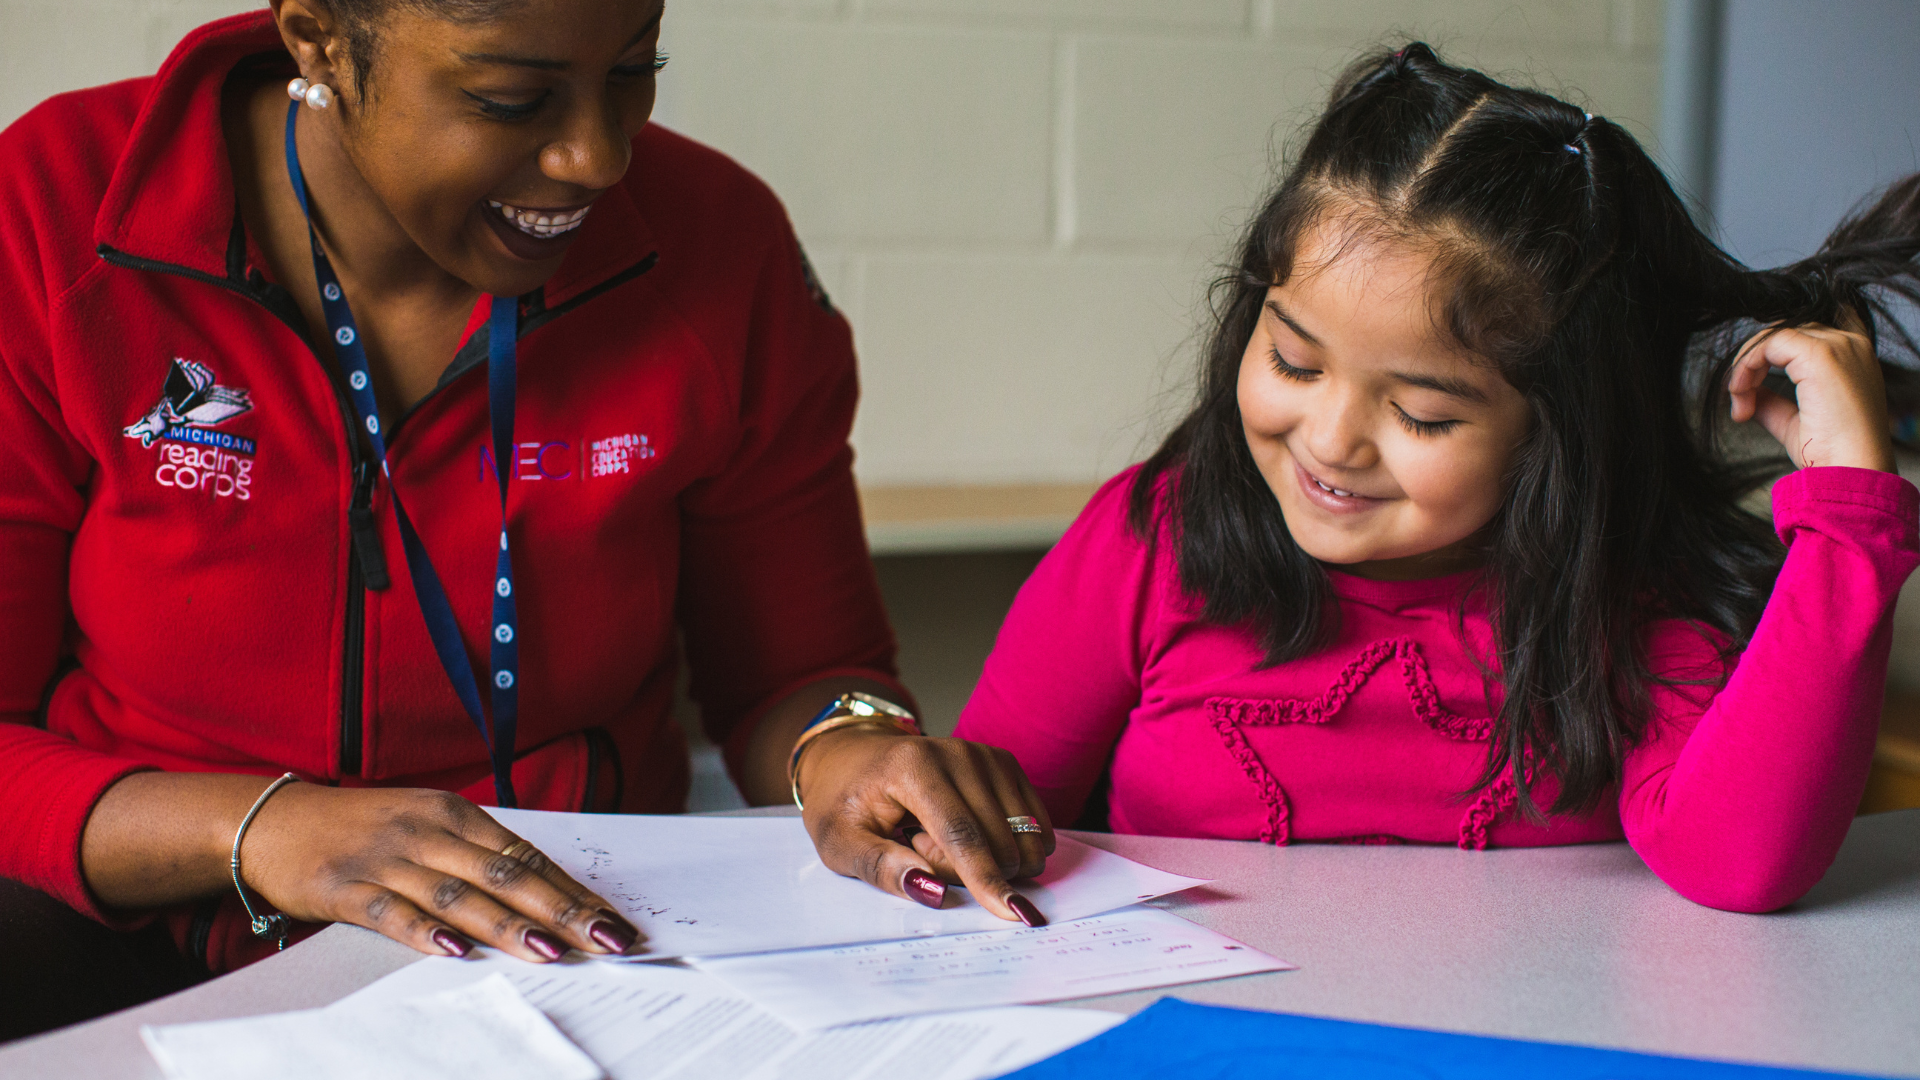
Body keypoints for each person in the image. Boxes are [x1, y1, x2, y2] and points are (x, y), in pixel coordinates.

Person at [0, 0, 1050, 1041]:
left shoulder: (722, 245)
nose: (597, 157)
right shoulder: (52, 209)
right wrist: (261, 829)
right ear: (318, 38)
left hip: (573, 951)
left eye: (635, 71)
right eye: (511, 99)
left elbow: (803, 671)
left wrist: (851, 744)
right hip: (135, 948)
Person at [953, 44, 1920, 913]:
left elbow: (1739, 865)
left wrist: (1850, 519)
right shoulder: (1153, 534)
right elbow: (985, 821)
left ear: (1558, 436)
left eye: (1422, 415)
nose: (1331, 441)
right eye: (1293, 361)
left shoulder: (1631, 598)